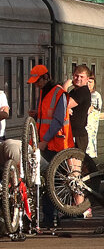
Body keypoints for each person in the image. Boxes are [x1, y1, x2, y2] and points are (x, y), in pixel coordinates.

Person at [29, 64, 75, 224]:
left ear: (46, 77)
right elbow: (46, 118)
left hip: (58, 144)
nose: (36, 84)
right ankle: (50, 217)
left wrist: (44, 140)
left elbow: (58, 120)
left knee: (52, 181)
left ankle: (52, 217)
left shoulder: (59, 93)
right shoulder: (43, 92)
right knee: (48, 181)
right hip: (47, 144)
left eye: (38, 81)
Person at [88, 75, 102, 159]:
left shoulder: (96, 95)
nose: (88, 84)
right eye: (87, 82)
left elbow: (96, 109)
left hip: (91, 125)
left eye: (91, 82)